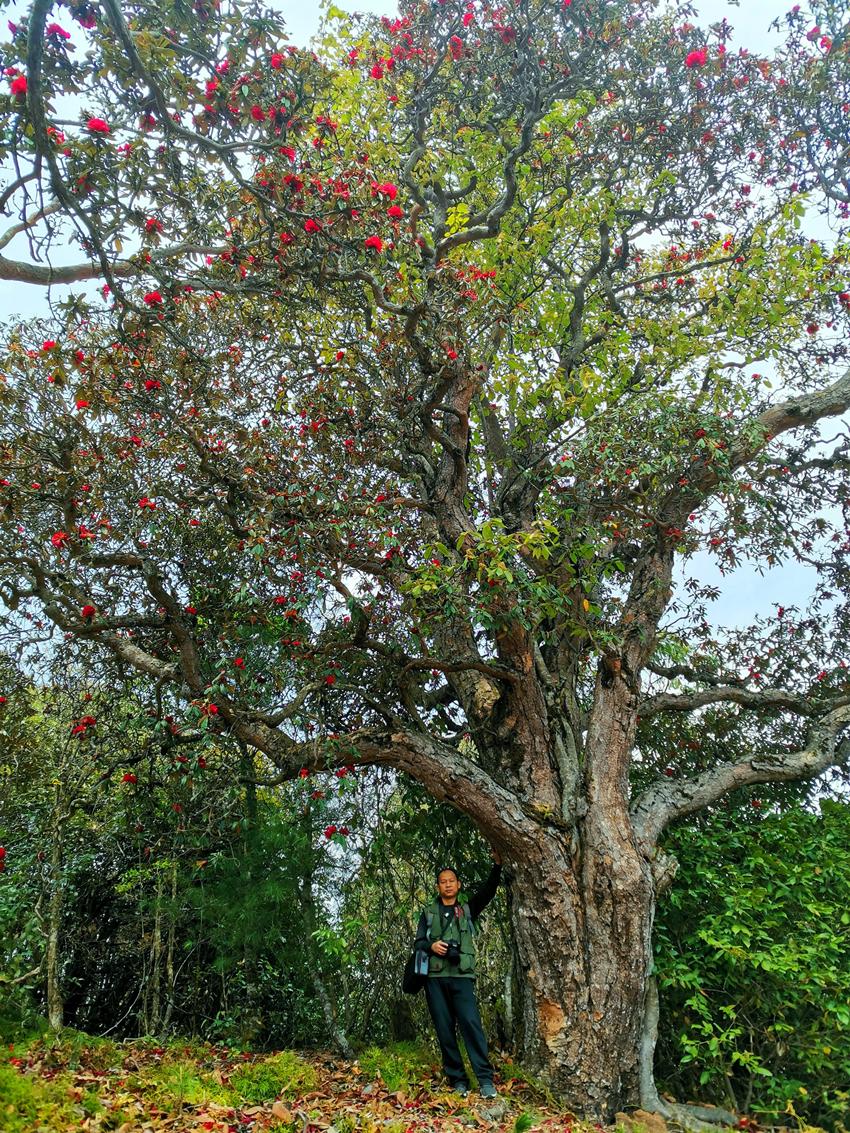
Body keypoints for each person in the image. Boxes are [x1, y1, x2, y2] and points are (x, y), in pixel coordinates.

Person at [414, 851, 502, 1098]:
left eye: (451, 880)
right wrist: (431, 946)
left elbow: (487, 893)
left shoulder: (466, 909)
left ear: (458, 884)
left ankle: (485, 1080)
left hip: (462, 977)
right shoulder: (429, 913)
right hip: (435, 978)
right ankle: (458, 1080)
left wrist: (497, 866)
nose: (448, 884)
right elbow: (418, 943)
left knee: (471, 1025)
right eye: (443, 881)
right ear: (438, 886)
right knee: (444, 1029)